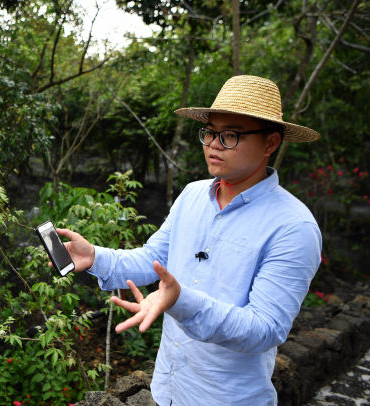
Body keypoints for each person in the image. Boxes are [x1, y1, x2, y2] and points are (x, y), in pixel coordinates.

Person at [56, 75, 322, 405]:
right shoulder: (193, 195)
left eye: (230, 135)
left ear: (270, 143)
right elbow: (153, 259)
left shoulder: (293, 227)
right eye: (210, 132)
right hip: (168, 388)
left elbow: (264, 329)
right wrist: (94, 257)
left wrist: (181, 301)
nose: (213, 144)